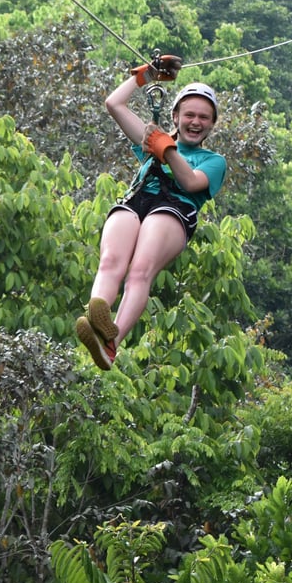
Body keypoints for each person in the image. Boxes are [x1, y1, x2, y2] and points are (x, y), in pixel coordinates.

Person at [75, 56, 227, 370]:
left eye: (203, 117)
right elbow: (114, 104)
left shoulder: (212, 160)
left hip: (174, 209)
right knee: (111, 261)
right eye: (189, 115)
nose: (195, 122)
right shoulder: (154, 140)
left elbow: (190, 181)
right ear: (176, 115)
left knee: (140, 270)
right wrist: (147, 74)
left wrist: (164, 147)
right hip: (137, 200)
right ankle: (98, 323)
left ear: (212, 124)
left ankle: (111, 346)